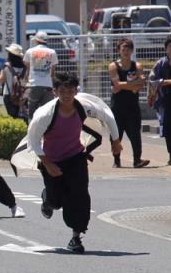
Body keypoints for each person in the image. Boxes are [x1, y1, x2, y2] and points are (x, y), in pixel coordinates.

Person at [27, 72, 121, 253]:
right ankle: (48, 200)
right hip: (52, 159)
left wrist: (115, 141)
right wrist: (47, 163)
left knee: (79, 196)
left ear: (76, 91)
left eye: (71, 90)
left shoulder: (84, 107)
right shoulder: (45, 114)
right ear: (55, 92)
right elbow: (33, 140)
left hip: (76, 157)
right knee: (56, 201)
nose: (67, 94)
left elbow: (107, 116)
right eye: (62, 90)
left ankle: (76, 237)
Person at [109, 39, 149, 168]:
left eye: (128, 49)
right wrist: (134, 83)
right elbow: (116, 84)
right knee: (116, 134)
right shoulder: (114, 66)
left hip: (132, 106)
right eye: (123, 49)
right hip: (118, 106)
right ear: (119, 51)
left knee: (135, 133)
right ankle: (116, 160)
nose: (126, 52)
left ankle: (137, 159)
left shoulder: (137, 66)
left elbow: (141, 85)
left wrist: (124, 85)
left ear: (132, 50)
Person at [149, 35, 171, 165]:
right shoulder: (160, 64)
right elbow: (153, 80)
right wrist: (169, 82)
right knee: (169, 128)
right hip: (167, 101)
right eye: (170, 46)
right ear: (166, 49)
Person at [23, 32, 57, 117]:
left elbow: (27, 66)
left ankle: (32, 126)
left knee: (32, 109)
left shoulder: (30, 51)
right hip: (47, 84)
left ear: (36, 41)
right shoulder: (52, 52)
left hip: (34, 84)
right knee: (47, 110)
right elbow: (53, 72)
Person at [0, 44, 27, 120]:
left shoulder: (7, 67)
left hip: (9, 95)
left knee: (13, 117)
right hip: (22, 95)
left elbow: (1, 80)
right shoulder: (25, 68)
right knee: (21, 116)